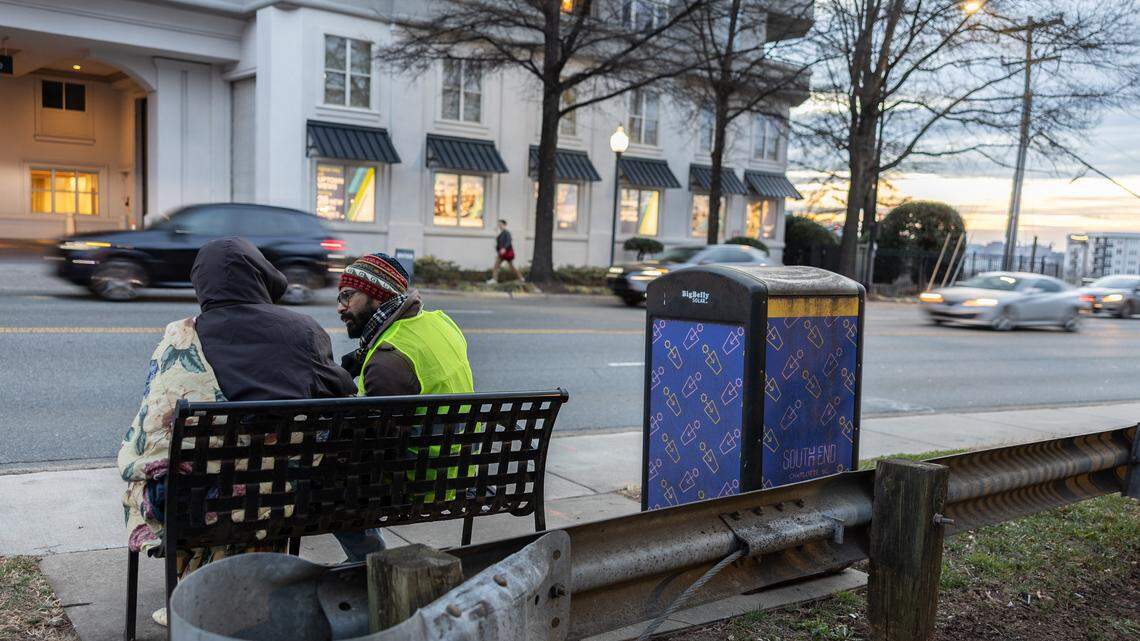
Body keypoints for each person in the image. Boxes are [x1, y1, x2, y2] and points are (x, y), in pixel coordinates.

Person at [117, 237, 356, 626]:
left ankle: (203, 593)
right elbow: (342, 395)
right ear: (262, 277)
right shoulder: (304, 330)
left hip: (190, 505)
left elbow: (149, 429)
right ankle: (237, 591)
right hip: (286, 497)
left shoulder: (179, 338)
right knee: (257, 475)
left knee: (175, 477)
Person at [337, 252, 477, 505]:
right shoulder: (441, 322)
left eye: (348, 296)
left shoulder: (387, 359)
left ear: (378, 296)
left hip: (420, 484)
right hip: (461, 469)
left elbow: (376, 445)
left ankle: (369, 547)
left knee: (319, 479)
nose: (340, 307)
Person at [487, 219, 524, 284]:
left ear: (504, 225)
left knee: (511, 267)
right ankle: (494, 279)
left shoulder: (507, 233)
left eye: (501, 224)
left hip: (506, 253)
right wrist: (499, 251)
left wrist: (504, 248)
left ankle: (521, 278)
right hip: (502, 254)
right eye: (499, 224)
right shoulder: (500, 234)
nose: (499, 226)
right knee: (497, 266)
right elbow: (498, 244)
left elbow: (509, 241)